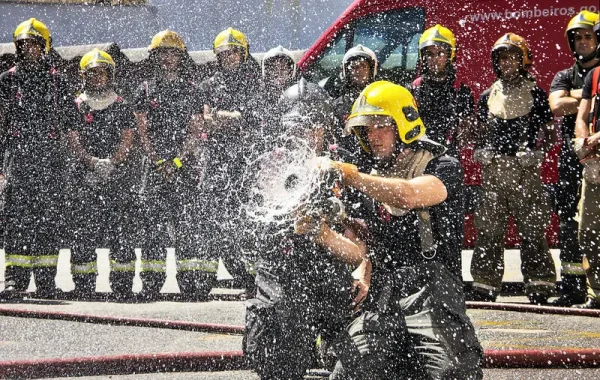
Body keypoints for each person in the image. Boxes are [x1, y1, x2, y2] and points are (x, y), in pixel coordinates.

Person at [328, 80, 483, 379]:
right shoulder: (370, 175)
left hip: (433, 296)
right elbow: (362, 245)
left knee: (450, 373)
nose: (372, 136)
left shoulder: (443, 165)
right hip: (383, 300)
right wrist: (320, 231)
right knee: (348, 373)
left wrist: (353, 176)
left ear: (404, 124)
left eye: (381, 126)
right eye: (366, 129)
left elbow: (409, 195)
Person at [243, 79, 366, 379]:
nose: (305, 135)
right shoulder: (269, 169)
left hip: (328, 276)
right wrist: (287, 225)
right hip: (282, 275)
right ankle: (292, 345)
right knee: (278, 346)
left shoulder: (341, 172)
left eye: (313, 126)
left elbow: (356, 253)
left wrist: (322, 234)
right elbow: (254, 240)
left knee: (358, 365)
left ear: (326, 129)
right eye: (296, 127)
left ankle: (325, 344)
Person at [470, 33, 556, 304]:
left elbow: (551, 134)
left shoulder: (537, 95)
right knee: (489, 229)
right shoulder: (487, 96)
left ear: (523, 60)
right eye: (502, 58)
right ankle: (485, 286)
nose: (506, 62)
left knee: (532, 229)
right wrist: (480, 151)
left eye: (512, 57)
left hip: (525, 173)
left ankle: (539, 285)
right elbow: (478, 133)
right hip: (493, 172)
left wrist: (539, 153)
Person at [0, 18, 70, 297]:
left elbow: (70, 127)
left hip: (49, 161)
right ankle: (14, 279)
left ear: (44, 46)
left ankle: (45, 281)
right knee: (16, 220)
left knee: (47, 220)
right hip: (17, 160)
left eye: (33, 44)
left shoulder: (57, 82)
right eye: (23, 44)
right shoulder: (7, 81)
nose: (28, 49)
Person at [134, 30, 205, 300]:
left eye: (173, 53)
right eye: (162, 53)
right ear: (154, 57)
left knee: (185, 223)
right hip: (153, 166)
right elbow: (142, 131)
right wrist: (158, 161)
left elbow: (195, 130)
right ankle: (152, 282)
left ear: (181, 57)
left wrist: (176, 161)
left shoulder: (191, 91)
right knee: (153, 225)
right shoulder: (145, 90)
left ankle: (189, 283)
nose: (167, 58)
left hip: (182, 165)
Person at [65, 49, 136, 299]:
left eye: (102, 73)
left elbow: (128, 139)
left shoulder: (122, 104)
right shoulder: (76, 105)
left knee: (121, 230)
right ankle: (84, 284)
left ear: (110, 75)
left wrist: (112, 162)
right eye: (93, 73)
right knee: (84, 230)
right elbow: (73, 139)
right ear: (85, 76)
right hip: (85, 175)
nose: (98, 78)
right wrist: (92, 163)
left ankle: (122, 285)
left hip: (116, 175)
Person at [197, 27, 261, 296]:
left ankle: (254, 279)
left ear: (243, 54)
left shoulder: (256, 83)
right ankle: (218, 274)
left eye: (234, 52)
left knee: (247, 220)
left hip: (246, 162)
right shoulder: (208, 85)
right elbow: (205, 121)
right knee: (215, 218)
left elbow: (251, 118)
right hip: (215, 162)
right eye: (224, 54)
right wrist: (233, 117)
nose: (229, 57)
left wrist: (225, 118)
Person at [549, 10, 600, 306]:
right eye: (577, 37)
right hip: (573, 158)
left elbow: (568, 102)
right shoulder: (564, 75)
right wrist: (587, 96)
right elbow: (557, 105)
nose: (582, 41)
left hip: (595, 157)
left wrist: (577, 96)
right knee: (572, 224)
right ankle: (572, 288)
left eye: (588, 36)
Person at [411, 24, 476, 158]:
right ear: (423, 57)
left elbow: (466, 132)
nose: (434, 59)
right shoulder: (414, 88)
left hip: (449, 157)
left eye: (440, 53)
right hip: (419, 156)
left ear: (450, 56)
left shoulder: (461, 91)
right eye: (429, 54)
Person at [572, 16, 600, 309]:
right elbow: (582, 116)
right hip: (595, 164)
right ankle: (596, 293)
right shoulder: (594, 76)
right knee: (588, 229)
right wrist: (583, 143)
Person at [332, 44, 378, 160]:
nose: (358, 71)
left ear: (371, 69)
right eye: (353, 67)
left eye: (363, 66)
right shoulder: (338, 105)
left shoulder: (380, 100)